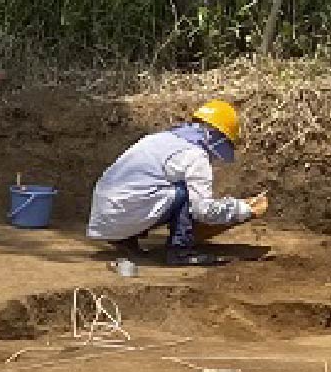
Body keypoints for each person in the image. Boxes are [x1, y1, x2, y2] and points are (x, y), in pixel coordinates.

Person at [86, 100, 266, 267]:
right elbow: (203, 211)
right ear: (220, 137)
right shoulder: (196, 155)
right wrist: (243, 210)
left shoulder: (161, 139)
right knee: (184, 192)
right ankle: (180, 252)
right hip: (125, 211)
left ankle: (125, 239)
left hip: (105, 214)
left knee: (152, 188)